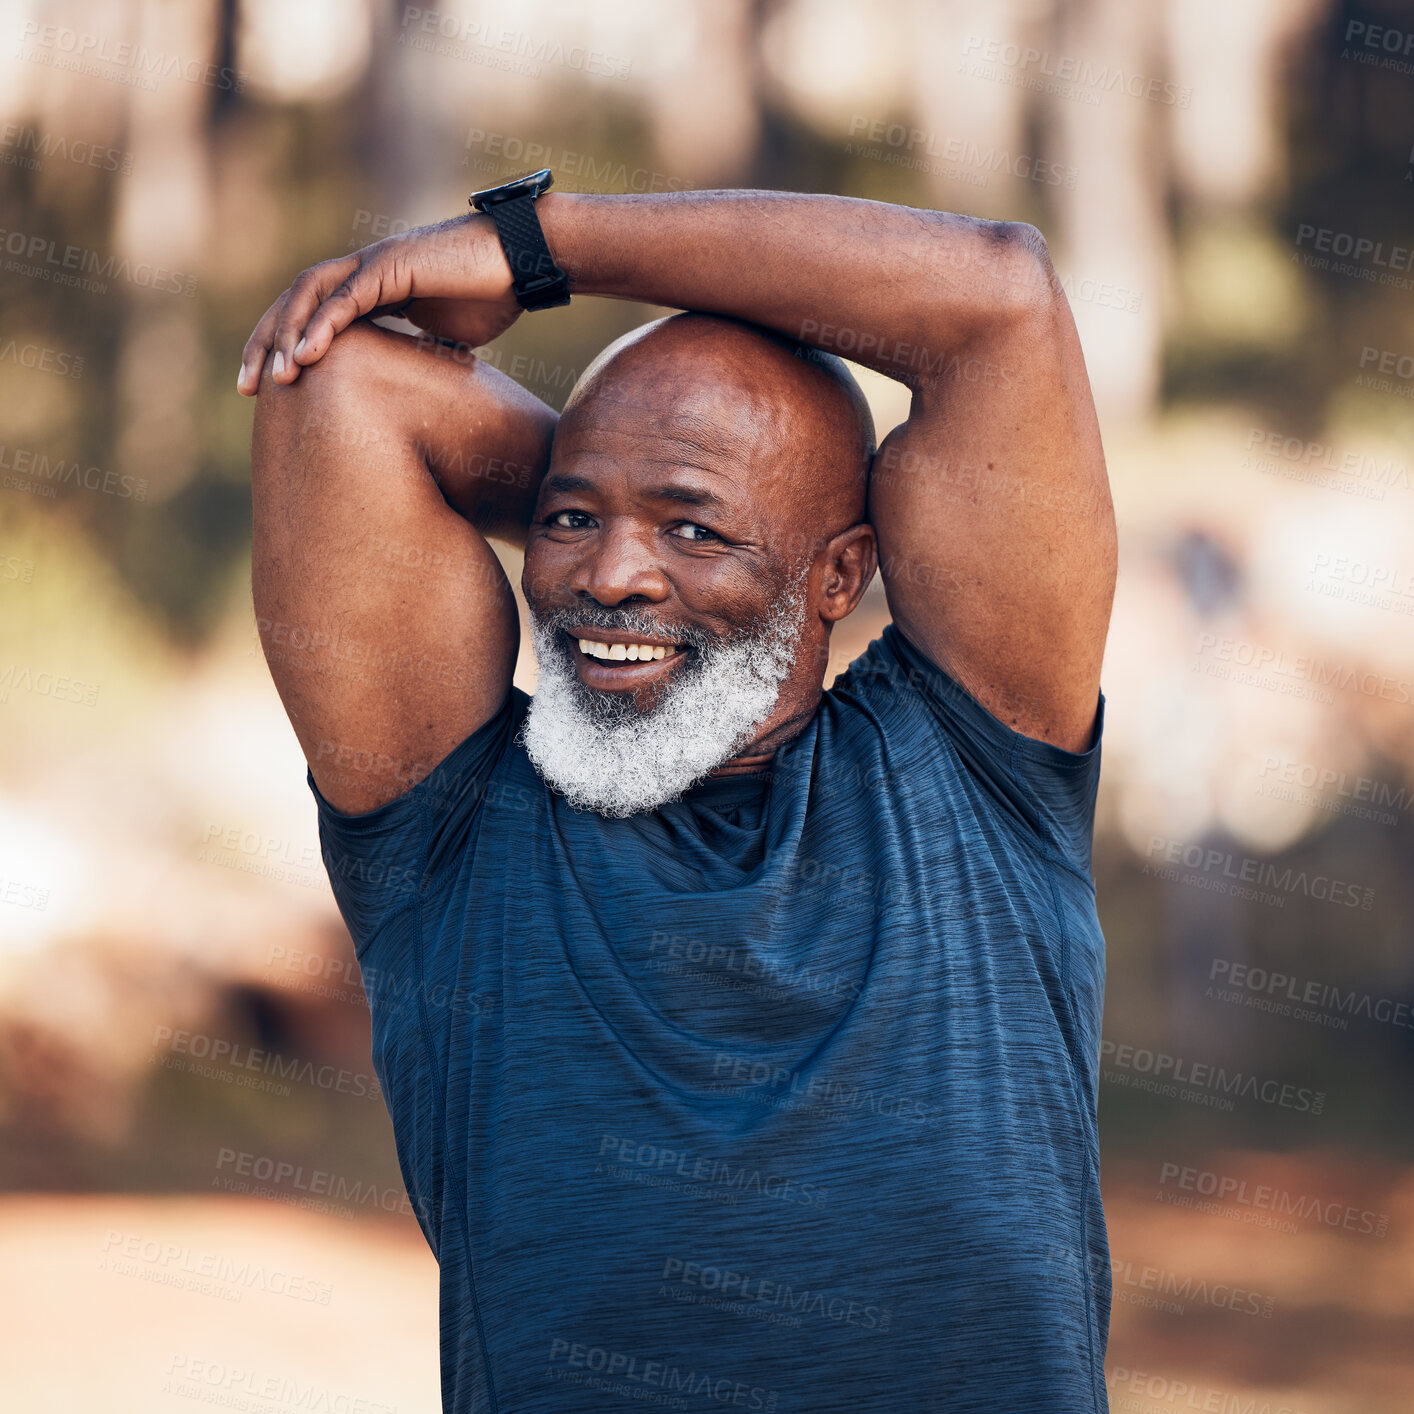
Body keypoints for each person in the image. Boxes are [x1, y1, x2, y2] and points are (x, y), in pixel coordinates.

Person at [241, 182, 1117, 1413]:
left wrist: (533, 245)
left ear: (843, 573)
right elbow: (336, 382)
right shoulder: (453, 827)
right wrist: (665, 507)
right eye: (568, 519)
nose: (609, 576)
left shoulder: (978, 766)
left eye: (691, 530)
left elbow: (996, 297)